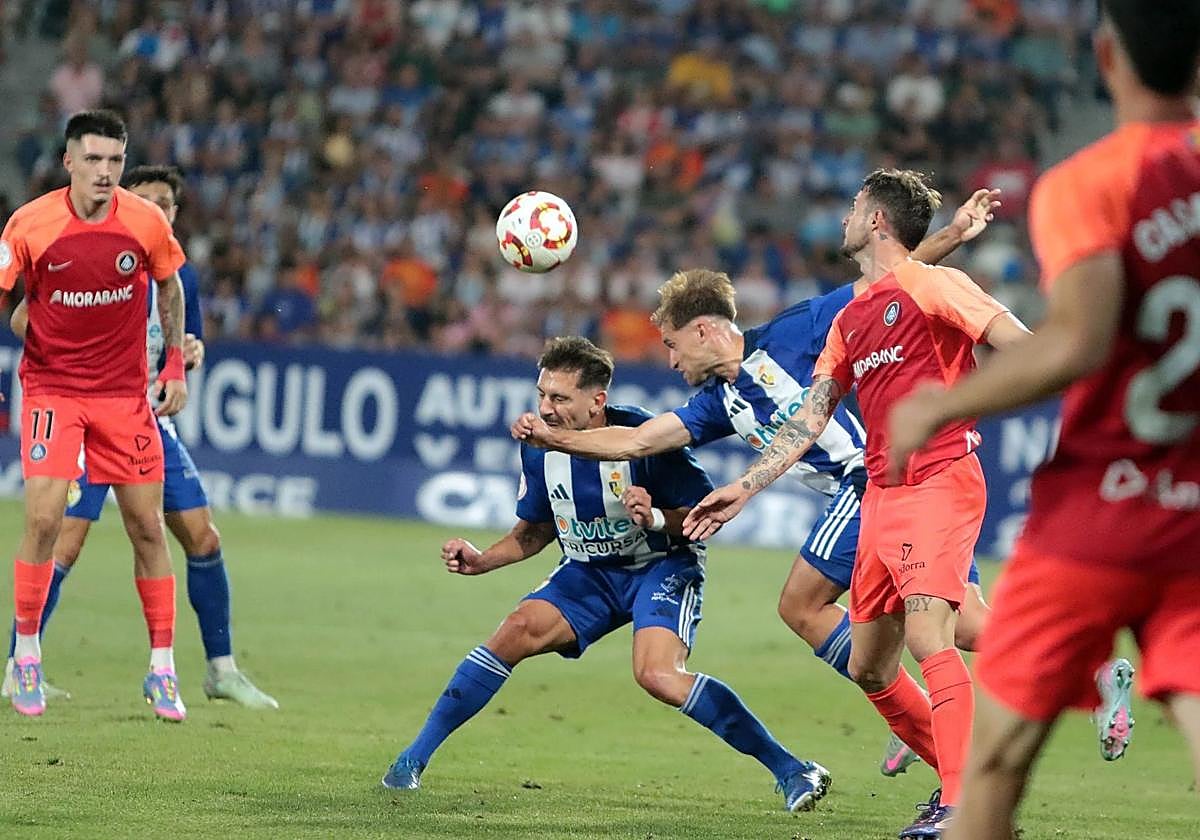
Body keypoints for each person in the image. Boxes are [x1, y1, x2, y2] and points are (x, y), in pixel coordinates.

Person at [512, 190, 999, 777]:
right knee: (967, 622)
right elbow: (637, 440)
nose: (670, 361)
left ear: (702, 331)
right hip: (893, 492)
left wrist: (952, 234)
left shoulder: (797, 330)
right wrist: (554, 438)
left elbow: (890, 282)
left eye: (671, 344)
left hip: (874, 482)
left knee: (802, 605)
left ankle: (917, 717)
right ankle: (1062, 673)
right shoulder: (715, 404)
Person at [885, 3, 1200, 837]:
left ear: (1105, 55)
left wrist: (941, 403)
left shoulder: (1092, 182)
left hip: (1095, 515)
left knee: (990, 772)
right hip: (1195, 518)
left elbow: (1077, 343)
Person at [681, 168, 1031, 838]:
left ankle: (959, 807)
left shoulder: (940, 285)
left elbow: (1025, 351)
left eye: (850, 206)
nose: (841, 217)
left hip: (940, 478)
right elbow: (811, 418)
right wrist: (746, 487)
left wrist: (963, 408)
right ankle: (972, 776)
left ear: (875, 219)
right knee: (870, 664)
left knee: (930, 635)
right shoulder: (850, 319)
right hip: (881, 498)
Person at [384, 337, 831, 811]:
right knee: (513, 632)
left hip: (661, 566)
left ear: (597, 401)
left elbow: (702, 516)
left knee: (657, 674)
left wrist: (657, 516)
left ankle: (792, 770)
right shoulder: (538, 449)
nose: (546, 409)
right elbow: (535, 532)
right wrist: (482, 560)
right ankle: (411, 762)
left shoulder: (644, 437)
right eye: (542, 395)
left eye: (559, 398)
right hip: (588, 573)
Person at [1, 165, 277, 710]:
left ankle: (220, 669)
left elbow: (185, 339)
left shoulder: (179, 276)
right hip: (85, 408)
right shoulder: (95, 251)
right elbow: (23, 317)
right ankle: (19, 663)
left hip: (147, 419)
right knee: (62, 538)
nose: (158, 212)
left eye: (167, 204)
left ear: (173, 214)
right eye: (147, 200)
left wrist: (185, 360)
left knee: (200, 536)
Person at [0, 109, 189, 720]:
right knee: (46, 520)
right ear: (69, 162)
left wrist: (174, 368)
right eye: (94, 160)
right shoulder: (30, 224)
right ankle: (24, 655)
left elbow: (171, 286)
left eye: (115, 161)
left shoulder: (146, 222)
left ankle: (162, 668)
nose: (105, 172)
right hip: (54, 390)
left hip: (123, 396)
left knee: (146, 528)